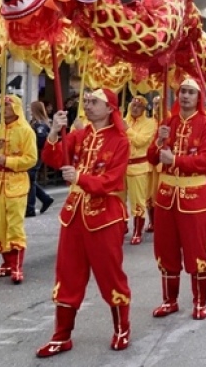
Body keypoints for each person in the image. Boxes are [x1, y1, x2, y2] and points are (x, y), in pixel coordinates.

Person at [37, 89, 132, 357]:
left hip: (105, 216)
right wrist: (55, 131)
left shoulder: (120, 141)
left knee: (110, 274)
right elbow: (52, 159)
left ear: (109, 107)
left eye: (94, 102)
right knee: (67, 274)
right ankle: (61, 336)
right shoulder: (79, 135)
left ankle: (122, 327)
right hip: (74, 214)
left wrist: (80, 178)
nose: (88, 106)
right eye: (87, 101)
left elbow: (112, 180)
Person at [150, 78, 206, 320]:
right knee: (166, 250)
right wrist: (159, 140)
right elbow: (152, 158)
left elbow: (205, 161)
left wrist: (175, 161)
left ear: (198, 97)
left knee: (195, 250)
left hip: (194, 198)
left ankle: (200, 301)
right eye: (182, 92)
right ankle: (170, 300)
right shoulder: (169, 122)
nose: (185, 96)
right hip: (166, 196)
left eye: (190, 92)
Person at [0, 94, 37, 283]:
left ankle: (17, 267)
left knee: (15, 226)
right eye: (1, 105)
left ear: (16, 108)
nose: (3, 109)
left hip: (17, 183)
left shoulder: (26, 131)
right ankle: (6, 264)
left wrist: (8, 160)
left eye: (7, 105)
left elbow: (31, 159)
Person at [123, 94, 157, 244]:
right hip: (121, 166)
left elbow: (140, 141)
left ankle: (137, 231)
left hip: (138, 166)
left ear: (144, 109)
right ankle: (121, 226)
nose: (135, 109)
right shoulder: (124, 121)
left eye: (138, 106)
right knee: (118, 200)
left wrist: (126, 130)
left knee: (138, 200)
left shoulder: (150, 123)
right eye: (133, 106)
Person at [25, 101, 55, 219]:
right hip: (32, 153)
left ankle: (30, 208)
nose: (28, 110)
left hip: (36, 154)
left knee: (30, 179)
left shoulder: (40, 124)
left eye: (30, 108)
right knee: (29, 179)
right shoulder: (34, 122)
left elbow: (41, 141)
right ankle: (45, 199)